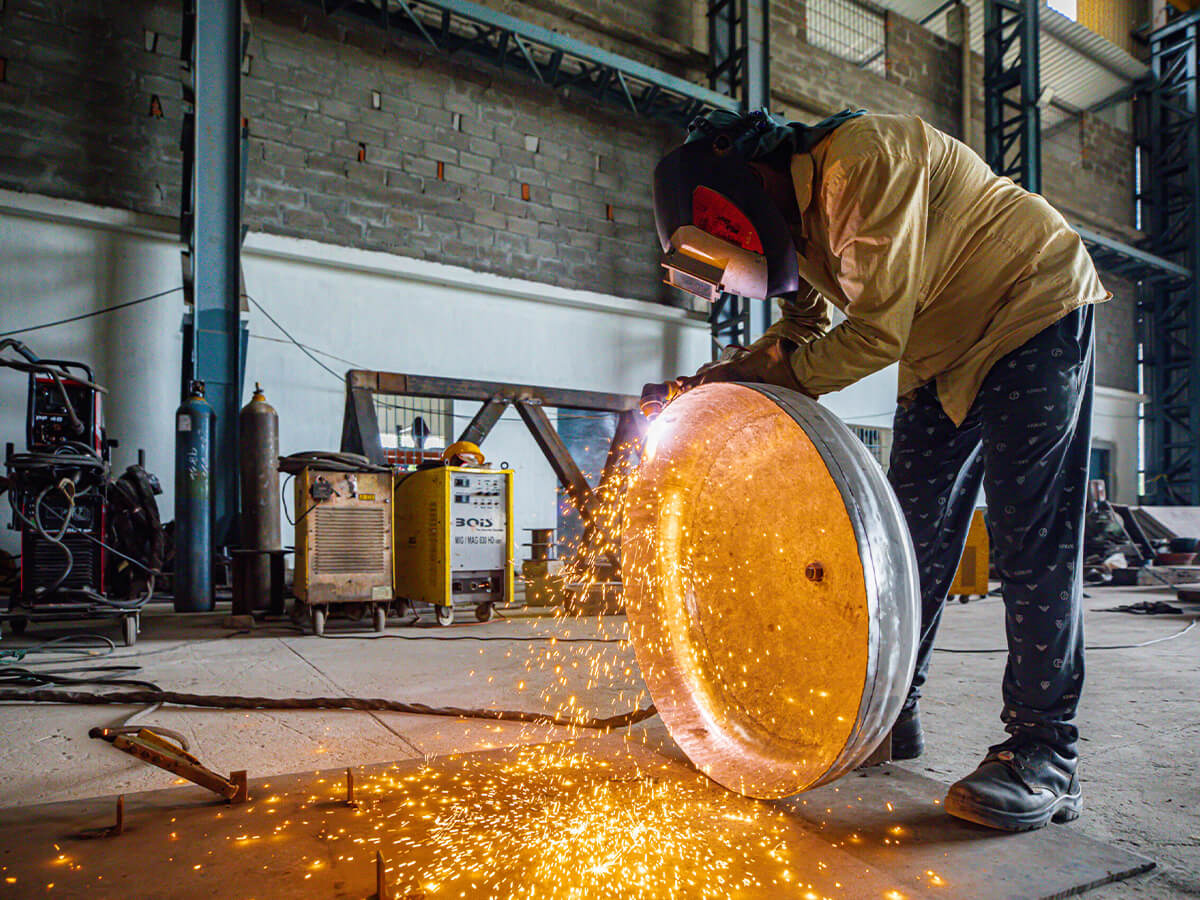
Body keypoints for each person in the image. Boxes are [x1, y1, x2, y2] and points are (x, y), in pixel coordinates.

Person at [644, 109, 1109, 832]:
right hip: (939, 351)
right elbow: (803, 328)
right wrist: (732, 374)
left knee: (1030, 539)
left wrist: (772, 379)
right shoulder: (793, 222)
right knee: (901, 547)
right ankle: (889, 717)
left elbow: (875, 333)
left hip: (1029, 306)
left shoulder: (859, 165)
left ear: (748, 182)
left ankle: (1046, 754)